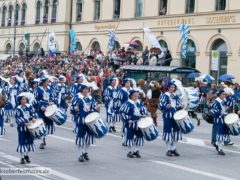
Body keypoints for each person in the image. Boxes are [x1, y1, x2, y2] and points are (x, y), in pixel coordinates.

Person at [70, 84, 99, 162]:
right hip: (81, 120)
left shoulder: (91, 98)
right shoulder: (77, 98)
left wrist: (97, 108)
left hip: (90, 121)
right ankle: (80, 154)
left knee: (90, 137)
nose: (86, 90)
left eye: (87, 89)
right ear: (81, 90)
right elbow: (71, 110)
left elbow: (94, 108)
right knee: (80, 137)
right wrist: (75, 109)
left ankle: (85, 151)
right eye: (85, 89)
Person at [120, 89, 148, 158]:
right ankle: (130, 151)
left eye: (137, 95)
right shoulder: (127, 103)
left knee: (139, 136)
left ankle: (136, 150)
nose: (136, 96)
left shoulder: (139, 103)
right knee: (130, 137)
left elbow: (143, 110)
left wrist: (144, 114)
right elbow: (122, 113)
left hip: (139, 123)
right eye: (135, 95)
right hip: (130, 123)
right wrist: (127, 119)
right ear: (131, 96)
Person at [158, 82, 183, 157]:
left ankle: (174, 149)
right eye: (171, 87)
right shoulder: (164, 95)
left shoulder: (176, 95)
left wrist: (181, 106)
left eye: (173, 87)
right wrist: (165, 106)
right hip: (168, 116)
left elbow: (178, 104)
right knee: (167, 132)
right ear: (168, 88)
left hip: (176, 116)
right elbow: (160, 105)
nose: (173, 89)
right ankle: (168, 149)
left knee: (176, 131)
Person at [34, 77, 56, 149]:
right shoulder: (37, 89)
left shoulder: (50, 89)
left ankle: (43, 137)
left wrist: (52, 102)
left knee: (47, 125)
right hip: (40, 110)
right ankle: (42, 141)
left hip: (48, 109)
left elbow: (53, 97)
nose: (48, 83)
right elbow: (35, 100)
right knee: (41, 124)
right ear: (43, 82)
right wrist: (40, 107)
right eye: (47, 81)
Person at [16, 94, 38, 164]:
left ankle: (26, 155)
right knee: (22, 142)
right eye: (23, 99)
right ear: (20, 100)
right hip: (22, 128)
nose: (24, 100)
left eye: (25, 99)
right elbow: (17, 118)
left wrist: (33, 118)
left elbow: (33, 114)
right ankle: (22, 157)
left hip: (30, 127)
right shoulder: (18, 109)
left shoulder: (29, 107)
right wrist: (24, 123)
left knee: (30, 141)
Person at [210, 89, 230, 155]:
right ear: (219, 95)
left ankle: (218, 145)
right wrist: (220, 113)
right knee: (220, 134)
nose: (224, 95)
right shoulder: (216, 101)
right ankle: (220, 149)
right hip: (219, 120)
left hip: (224, 119)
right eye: (223, 94)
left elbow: (230, 104)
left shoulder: (224, 100)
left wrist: (229, 97)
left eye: (225, 94)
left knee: (223, 134)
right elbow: (212, 110)